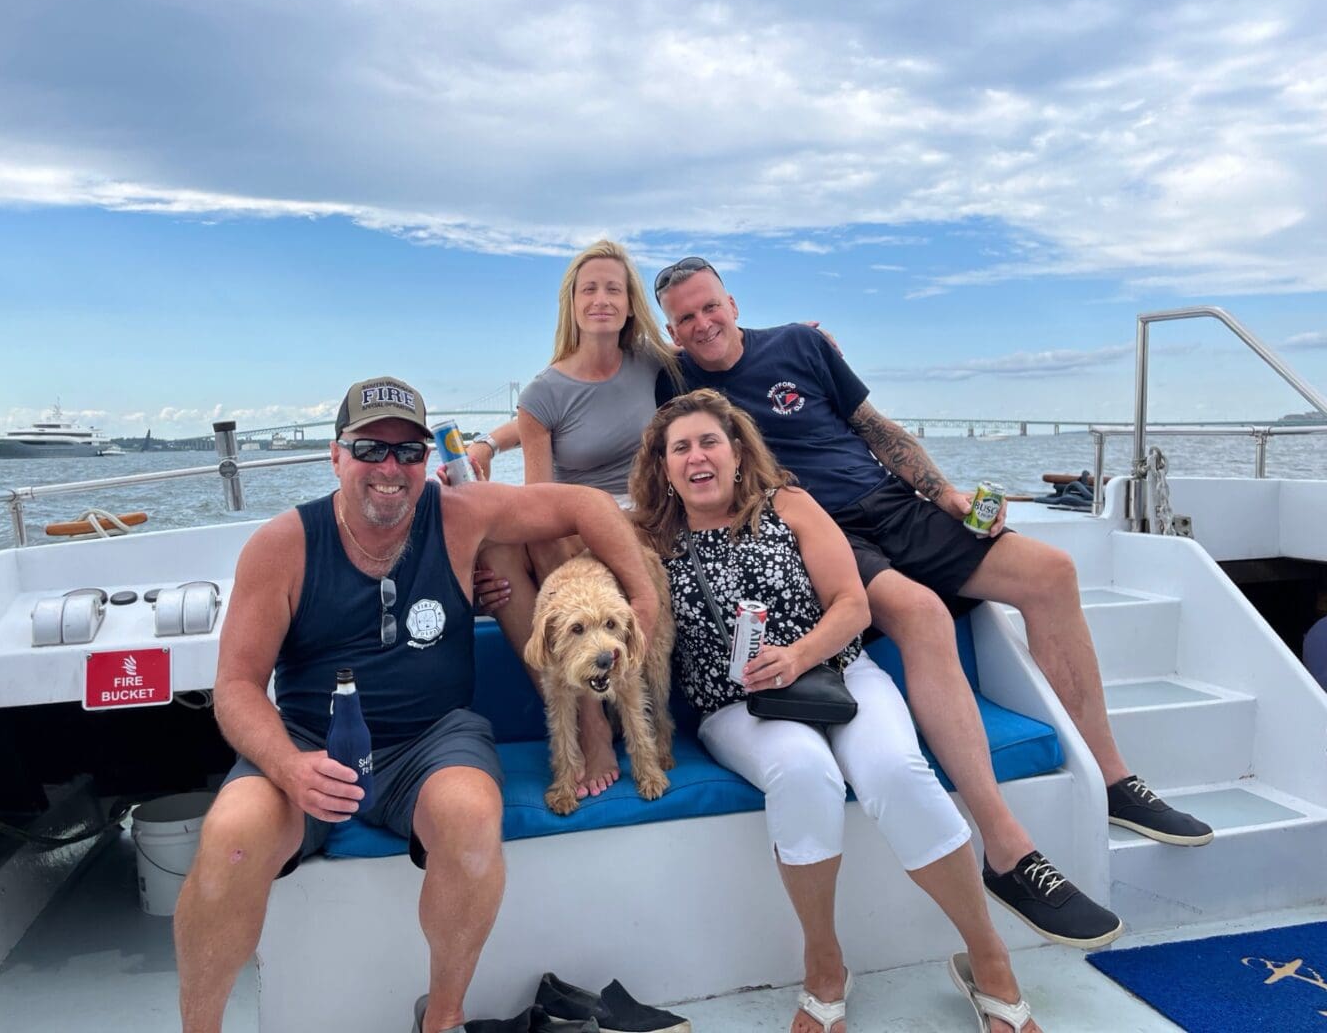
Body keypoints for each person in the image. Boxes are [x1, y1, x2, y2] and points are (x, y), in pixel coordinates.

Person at [652, 256, 1213, 948]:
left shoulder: (801, 344)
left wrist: (943, 492)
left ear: (732, 303)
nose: (702, 323)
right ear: (671, 332)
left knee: (1053, 572)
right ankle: (1006, 850)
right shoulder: (673, 380)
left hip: (894, 503)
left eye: (710, 307)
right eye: (685, 317)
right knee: (918, 613)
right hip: (825, 533)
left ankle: (1112, 776)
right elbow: (605, 396)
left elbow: (877, 428)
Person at [173, 376, 659, 1033]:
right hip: (307, 741)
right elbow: (234, 687)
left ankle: (443, 1019)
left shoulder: (459, 517)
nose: (390, 469)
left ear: (428, 460)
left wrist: (643, 599)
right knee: (230, 843)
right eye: (370, 449)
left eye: (409, 452)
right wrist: (289, 767)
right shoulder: (282, 546)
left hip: (433, 739)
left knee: (470, 820)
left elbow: (583, 506)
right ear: (336, 455)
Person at [630, 390, 1038, 1033]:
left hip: (839, 673)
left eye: (709, 441)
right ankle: (824, 962)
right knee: (802, 772)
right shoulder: (649, 536)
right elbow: (566, 540)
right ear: (663, 469)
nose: (696, 456)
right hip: (735, 704)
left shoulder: (788, 504)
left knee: (896, 772)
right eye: (679, 448)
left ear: (737, 452)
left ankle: (987, 954)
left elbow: (852, 603)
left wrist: (795, 656)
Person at [469, 239, 681, 799]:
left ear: (631, 303)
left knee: (536, 539)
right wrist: (491, 441)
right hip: (573, 530)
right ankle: (589, 723)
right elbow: (542, 500)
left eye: (614, 288)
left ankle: (607, 713)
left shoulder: (653, 364)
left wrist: (798, 339)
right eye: (590, 289)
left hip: (639, 521)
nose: (602, 299)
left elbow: (721, 352)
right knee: (508, 544)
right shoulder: (543, 391)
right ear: (572, 303)